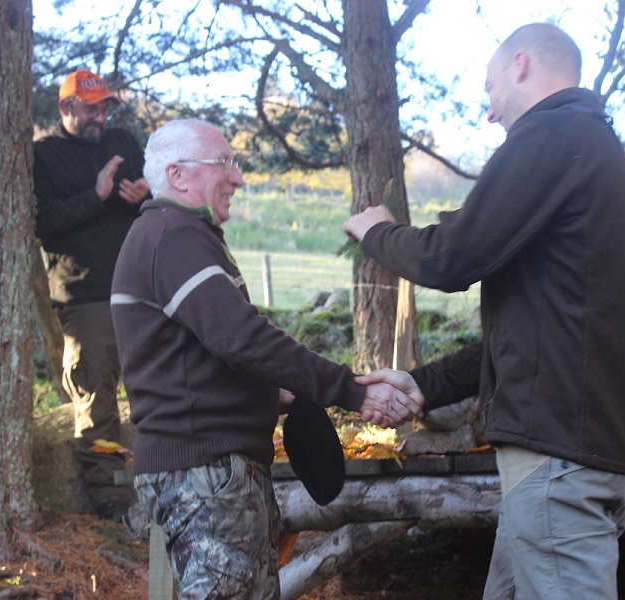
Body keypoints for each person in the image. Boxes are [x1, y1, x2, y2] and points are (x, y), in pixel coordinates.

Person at [344, 23, 625, 600]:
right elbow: (531, 335)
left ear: (520, 64)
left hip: (558, 463)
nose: (489, 113)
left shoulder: (551, 134)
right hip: (576, 453)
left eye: (489, 90)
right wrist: (422, 384)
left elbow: (451, 257)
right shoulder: (595, 155)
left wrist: (378, 234)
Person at [110, 118, 424, 598]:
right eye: (224, 164)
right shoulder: (172, 236)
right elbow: (241, 337)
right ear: (177, 176)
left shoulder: (177, 236)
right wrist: (347, 390)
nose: (236, 178)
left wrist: (273, 391)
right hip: (203, 471)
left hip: (211, 467)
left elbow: (204, 355)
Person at [33, 69, 150, 521]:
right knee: (96, 394)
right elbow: (43, 222)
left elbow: (155, 195)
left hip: (139, 286)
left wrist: (144, 194)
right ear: (66, 108)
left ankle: (157, 482)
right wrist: (96, 195)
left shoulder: (122, 141)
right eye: (90, 108)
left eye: (104, 107)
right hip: (84, 296)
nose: (99, 116)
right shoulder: (44, 155)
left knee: (154, 386)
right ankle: (108, 498)